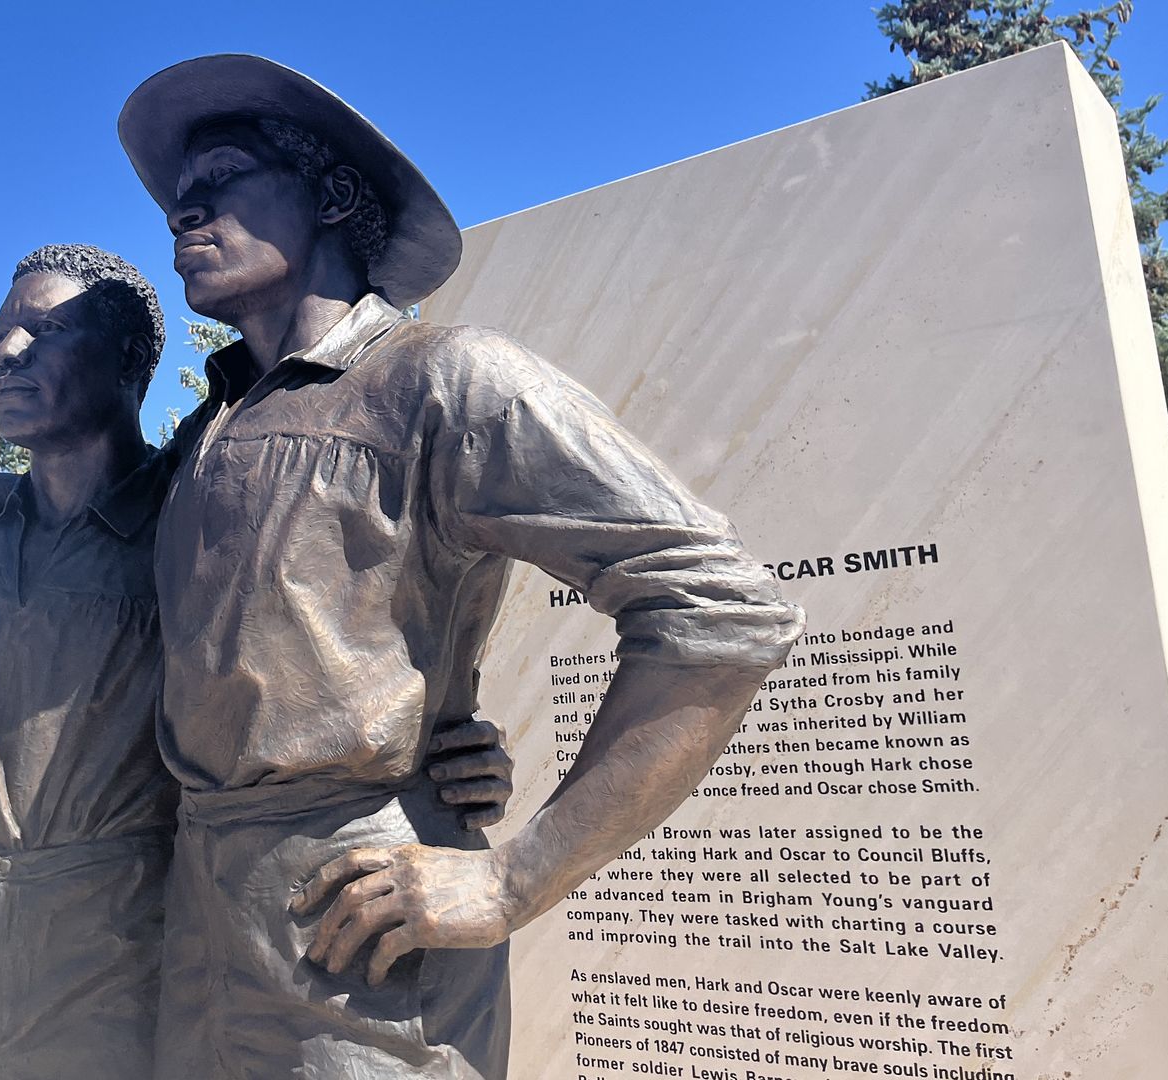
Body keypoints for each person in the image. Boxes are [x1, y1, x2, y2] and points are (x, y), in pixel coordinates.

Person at [117, 55, 806, 1079]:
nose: (186, 213)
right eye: (179, 198)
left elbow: (719, 607)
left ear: (333, 194)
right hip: (200, 925)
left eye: (220, 179)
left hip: (361, 930)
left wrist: (518, 877)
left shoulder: (443, 378)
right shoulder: (209, 431)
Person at [0, 243, 513, 1080]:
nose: (6, 354)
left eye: (44, 332)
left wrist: (440, 749)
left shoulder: (201, 525)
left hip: (142, 999)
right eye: (1, 333)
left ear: (128, 359)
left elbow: (339, 660)